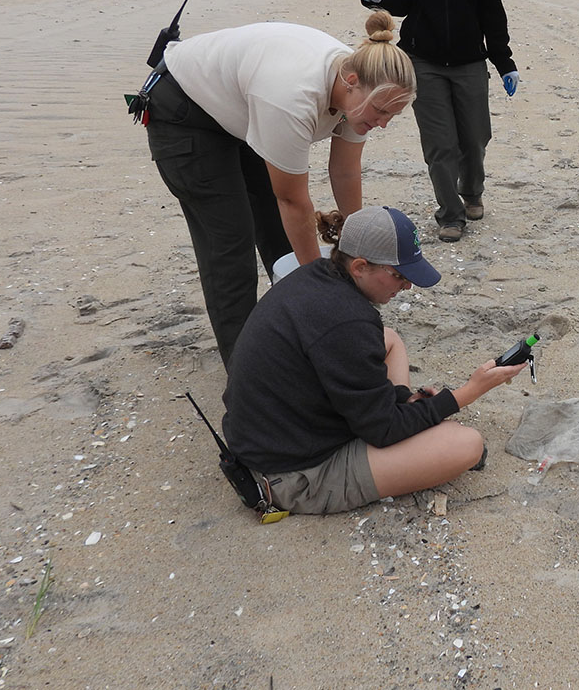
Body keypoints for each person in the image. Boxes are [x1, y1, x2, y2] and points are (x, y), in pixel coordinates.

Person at [143, 11, 416, 367]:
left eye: (391, 117)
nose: (380, 125)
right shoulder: (293, 96)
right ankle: (246, 370)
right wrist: (324, 283)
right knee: (230, 239)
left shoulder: (359, 92)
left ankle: (298, 330)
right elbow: (293, 201)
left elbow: (345, 172)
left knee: (278, 234)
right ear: (350, 81)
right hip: (183, 109)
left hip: (240, 109)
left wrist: (355, 245)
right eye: (379, 112)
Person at [220, 205, 528, 514]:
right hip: (289, 474)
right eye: (398, 275)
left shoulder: (317, 275)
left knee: (390, 339)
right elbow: (384, 431)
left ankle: (405, 408)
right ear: (359, 267)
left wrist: (405, 401)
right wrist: (468, 392)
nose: (407, 285)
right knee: (466, 445)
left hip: (273, 431)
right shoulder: (347, 323)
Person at [342, 0, 518, 244]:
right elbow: (398, 0)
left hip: (471, 60)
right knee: (440, 144)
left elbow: (491, 7)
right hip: (423, 60)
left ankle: (472, 193)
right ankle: (450, 214)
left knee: (475, 139)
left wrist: (503, 60)